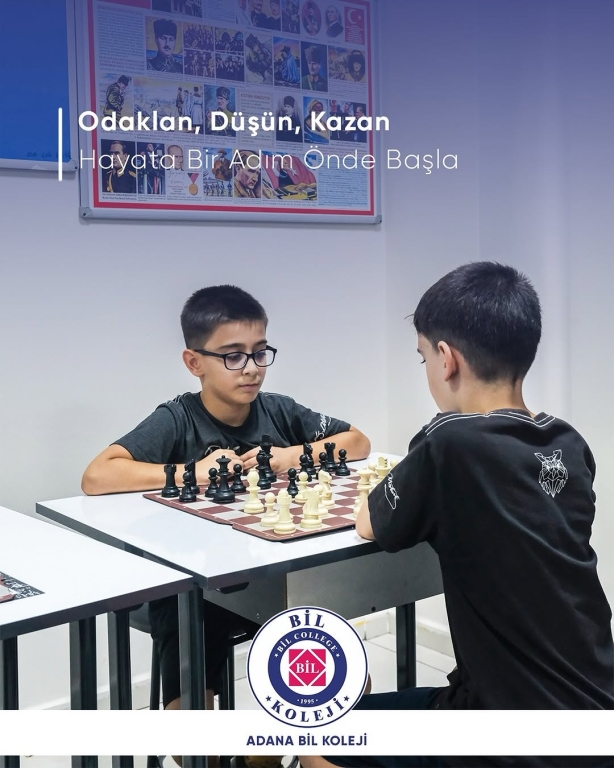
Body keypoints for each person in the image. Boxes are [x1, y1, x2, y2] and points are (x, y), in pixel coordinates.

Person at [300, 262, 614, 768]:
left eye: (423, 356)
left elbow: (368, 522)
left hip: (511, 737)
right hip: (596, 711)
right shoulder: (567, 443)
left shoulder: (449, 442)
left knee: (317, 738)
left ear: (446, 360)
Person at [82, 286, 371, 768]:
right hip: (193, 592)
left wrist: (290, 455)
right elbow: (97, 476)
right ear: (194, 362)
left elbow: (357, 440)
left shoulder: (278, 410)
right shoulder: (177, 418)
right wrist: (189, 472)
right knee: (193, 734)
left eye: (260, 352)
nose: (251, 368)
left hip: (277, 583)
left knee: (346, 682)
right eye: (233, 356)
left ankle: (266, 754)